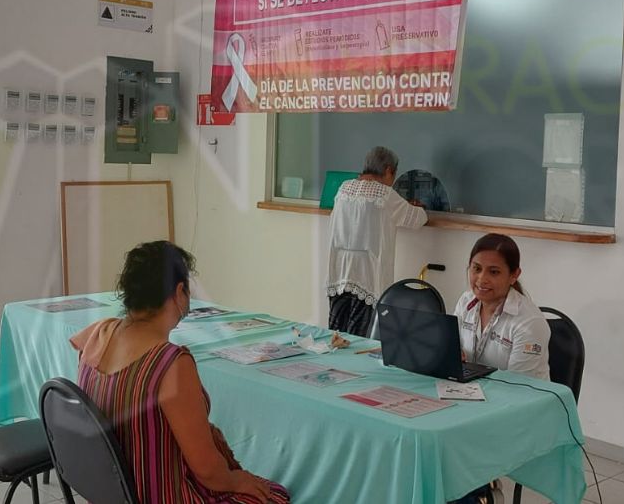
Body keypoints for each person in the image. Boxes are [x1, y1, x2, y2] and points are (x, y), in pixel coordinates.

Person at [69, 241, 290, 504]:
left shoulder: (98, 333)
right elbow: (208, 471)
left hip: (112, 492)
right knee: (274, 495)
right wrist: (238, 480)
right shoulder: (169, 363)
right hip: (159, 495)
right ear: (179, 292)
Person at [326, 146, 428, 336]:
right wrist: (418, 207)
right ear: (389, 170)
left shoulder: (344, 188)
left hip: (339, 270)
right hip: (368, 274)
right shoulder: (385, 195)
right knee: (362, 336)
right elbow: (418, 219)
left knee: (338, 334)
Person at [453, 233, 550, 380]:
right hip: (473, 391)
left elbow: (517, 385)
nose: (482, 279)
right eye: (476, 269)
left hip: (521, 398)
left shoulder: (529, 323)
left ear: (514, 275)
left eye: (494, 272)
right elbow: (451, 348)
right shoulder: (466, 301)